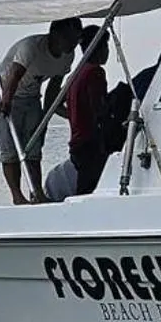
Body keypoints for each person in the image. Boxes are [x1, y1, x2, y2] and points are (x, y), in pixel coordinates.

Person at [0, 16, 82, 204]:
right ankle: (17, 196)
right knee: (11, 145)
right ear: (55, 34)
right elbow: (14, 75)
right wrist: (5, 100)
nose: (73, 44)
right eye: (69, 38)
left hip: (32, 94)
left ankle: (37, 193)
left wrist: (63, 116)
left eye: (76, 39)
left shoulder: (68, 55)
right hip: (5, 87)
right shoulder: (31, 47)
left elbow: (53, 93)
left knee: (34, 145)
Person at [43, 28, 112, 202]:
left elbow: (56, 103)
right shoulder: (95, 72)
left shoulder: (75, 74)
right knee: (89, 190)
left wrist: (74, 116)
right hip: (91, 142)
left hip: (77, 141)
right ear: (100, 47)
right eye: (106, 46)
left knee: (84, 186)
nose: (107, 52)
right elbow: (99, 109)